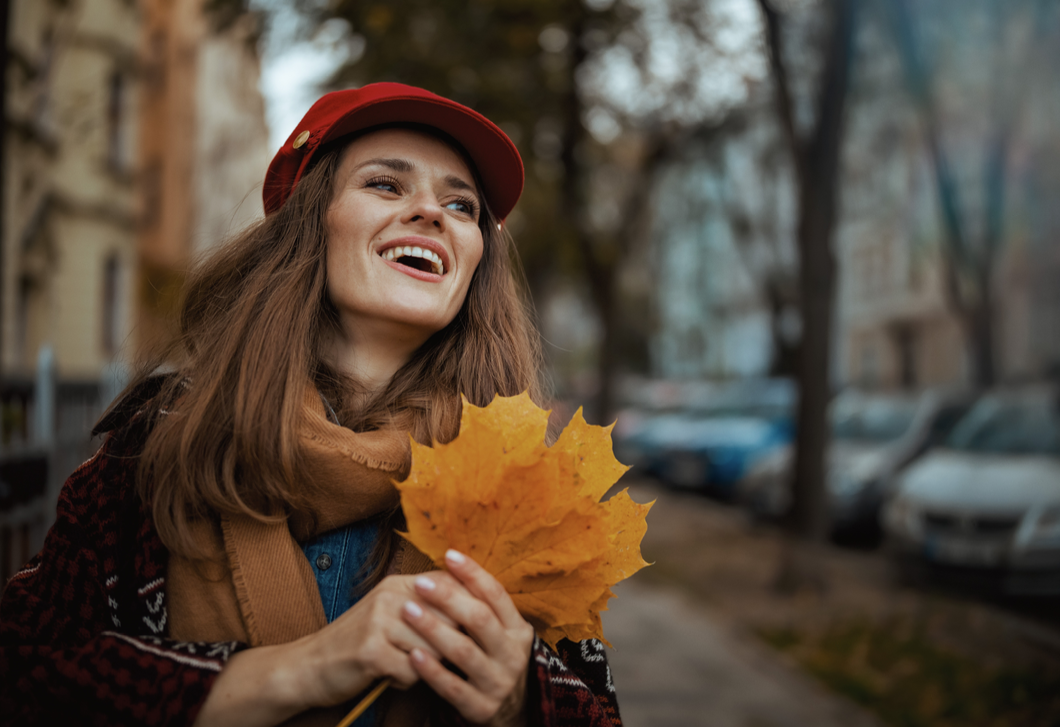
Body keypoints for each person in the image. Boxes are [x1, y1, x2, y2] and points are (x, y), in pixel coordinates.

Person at [0, 83, 622, 727]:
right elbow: (26, 673)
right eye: (386, 184)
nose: (431, 213)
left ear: (474, 261)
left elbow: (598, 711)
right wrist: (301, 668)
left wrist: (523, 697)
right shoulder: (155, 450)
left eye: (461, 205)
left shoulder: (526, 487)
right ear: (309, 222)